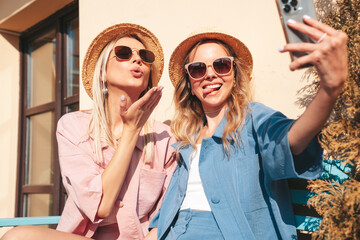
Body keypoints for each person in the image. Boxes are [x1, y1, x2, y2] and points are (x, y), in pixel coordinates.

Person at [149, 16, 348, 239]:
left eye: (221, 64)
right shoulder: (186, 138)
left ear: (234, 74)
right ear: (190, 82)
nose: (210, 74)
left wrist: (329, 90)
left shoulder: (254, 119)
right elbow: (169, 211)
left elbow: (289, 140)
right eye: (197, 69)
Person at [1, 23, 177, 240]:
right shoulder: (73, 127)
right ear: (102, 72)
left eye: (144, 55)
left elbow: (166, 217)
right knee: (17, 236)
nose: (137, 59)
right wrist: (131, 130)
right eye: (123, 53)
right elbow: (100, 206)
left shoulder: (165, 139)